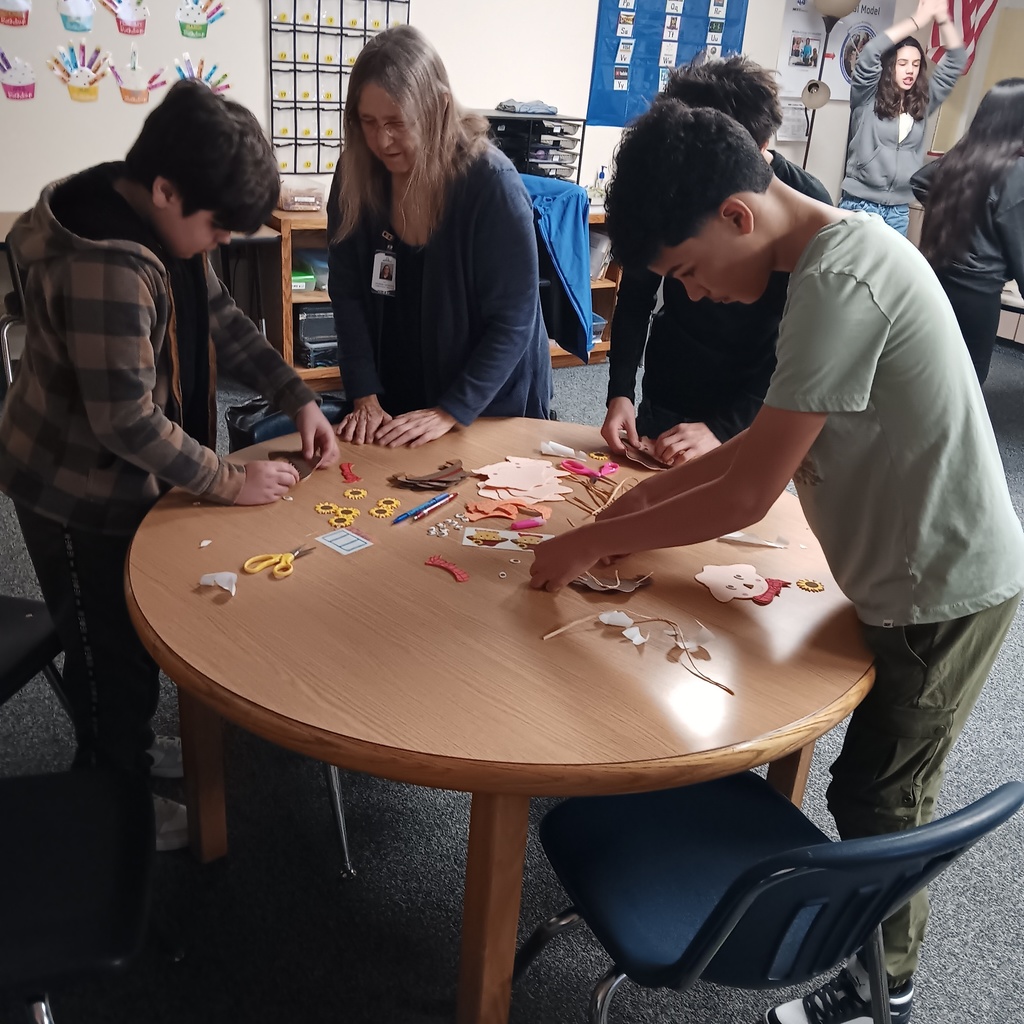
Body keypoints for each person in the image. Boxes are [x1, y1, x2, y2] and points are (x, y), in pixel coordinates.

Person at [530, 100, 1024, 1024]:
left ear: (738, 215)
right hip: (901, 568)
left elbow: (750, 494)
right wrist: (637, 508)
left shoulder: (841, 277)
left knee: (881, 795)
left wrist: (590, 540)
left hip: (943, 588)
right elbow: (761, 446)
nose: (693, 296)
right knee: (865, 775)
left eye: (688, 272)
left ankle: (884, 990)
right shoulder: (829, 262)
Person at [0, 80, 339, 850]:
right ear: (164, 190)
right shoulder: (107, 264)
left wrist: (296, 395)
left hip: (124, 477)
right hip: (71, 498)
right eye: (215, 228)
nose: (217, 244)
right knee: (107, 660)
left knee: (134, 635)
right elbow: (125, 420)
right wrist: (230, 480)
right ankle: (112, 804)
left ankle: (130, 748)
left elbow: (220, 317)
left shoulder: (160, 216)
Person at [326, 25, 551, 450]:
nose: (382, 140)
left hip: (484, 402)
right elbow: (348, 291)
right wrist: (364, 393)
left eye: (397, 122)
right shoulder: (355, 171)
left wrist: (450, 410)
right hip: (399, 389)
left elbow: (513, 320)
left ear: (440, 106)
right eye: (368, 122)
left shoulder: (492, 184)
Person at [602, 55, 832, 467]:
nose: (695, 291)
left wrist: (726, 428)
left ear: (753, 149)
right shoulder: (669, 193)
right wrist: (621, 389)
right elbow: (635, 295)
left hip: (749, 398)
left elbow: (796, 352)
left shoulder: (816, 228)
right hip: (673, 380)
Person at [912, 78, 1024, 384]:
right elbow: (1018, 244)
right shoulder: (1017, 173)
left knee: (923, 369)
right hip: (978, 297)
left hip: (934, 280)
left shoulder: (962, 157)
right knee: (966, 382)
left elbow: (921, 181)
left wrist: (963, 213)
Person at [839, 0, 965, 235]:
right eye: (903, 63)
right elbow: (870, 51)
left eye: (916, 64)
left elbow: (956, 60)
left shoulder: (923, 102)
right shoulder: (866, 96)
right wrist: (917, 21)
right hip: (860, 205)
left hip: (898, 211)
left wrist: (943, 18)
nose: (910, 70)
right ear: (890, 66)